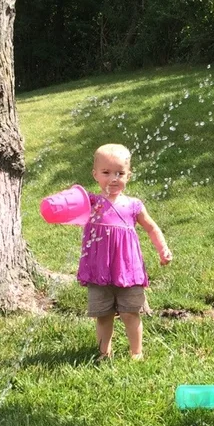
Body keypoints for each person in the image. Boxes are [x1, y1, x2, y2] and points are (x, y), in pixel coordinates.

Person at [77, 143, 172, 360]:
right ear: (95, 175)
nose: (113, 178)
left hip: (128, 271)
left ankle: (136, 352)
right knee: (103, 315)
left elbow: (151, 227)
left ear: (128, 176)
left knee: (131, 313)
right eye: (106, 172)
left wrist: (162, 249)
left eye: (120, 173)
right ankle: (103, 352)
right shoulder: (91, 203)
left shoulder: (133, 205)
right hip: (99, 271)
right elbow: (68, 208)